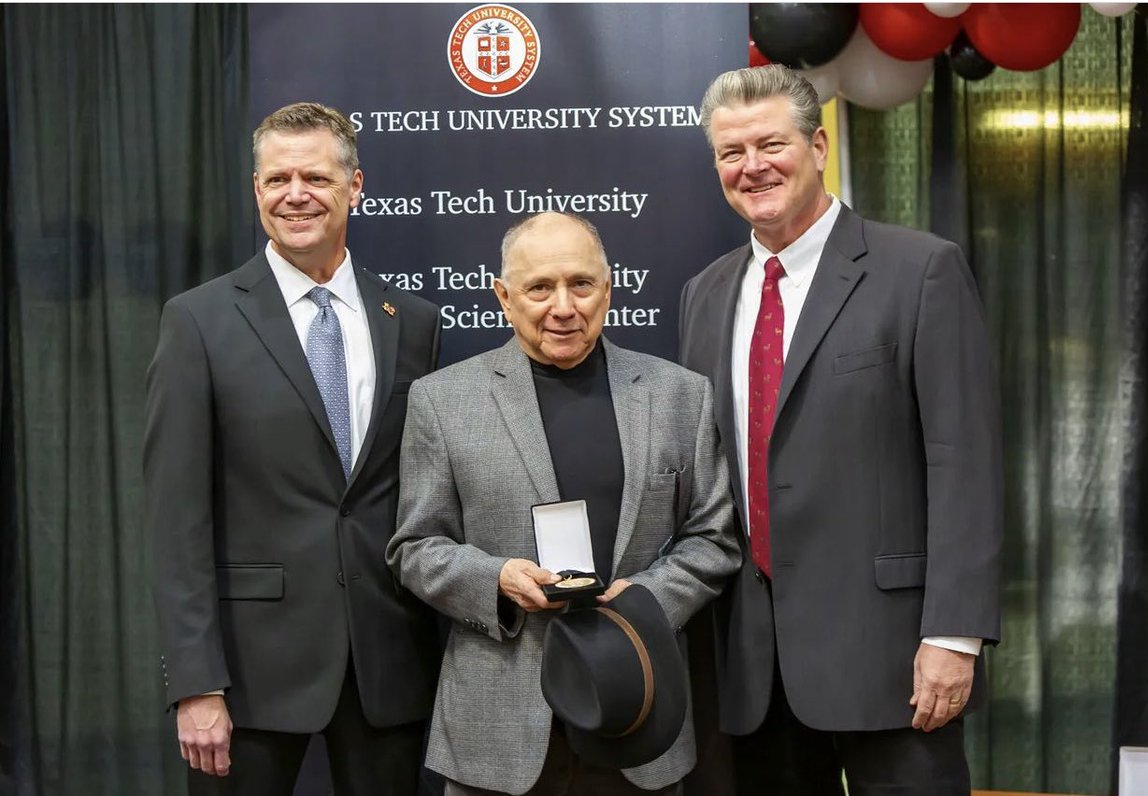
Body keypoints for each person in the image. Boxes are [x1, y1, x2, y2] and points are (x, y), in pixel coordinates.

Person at [678, 65, 1003, 794]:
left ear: (819, 145)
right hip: (754, 671)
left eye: (770, 144)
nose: (752, 166)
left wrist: (953, 636)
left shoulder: (920, 270)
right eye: (731, 153)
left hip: (894, 660)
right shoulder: (704, 296)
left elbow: (964, 463)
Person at [386, 212, 741, 796]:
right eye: (538, 288)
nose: (563, 306)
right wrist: (495, 577)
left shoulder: (679, 394)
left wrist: (646, 601)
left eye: (581, 284)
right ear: (503, 296)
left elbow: (714, 536)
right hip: (499, 733)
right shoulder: (443, 401)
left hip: (639, 712)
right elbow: (415, 547)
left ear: (608, 287)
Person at [146, 102, 442, 795]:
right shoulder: (198, 321)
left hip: (385, 663)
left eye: (314, 176)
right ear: (256, 191)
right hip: (248, 676)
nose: (295, 194)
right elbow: (175, 517)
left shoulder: (414, 322)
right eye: (277, 179)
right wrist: (195, 683)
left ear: (356, 187)